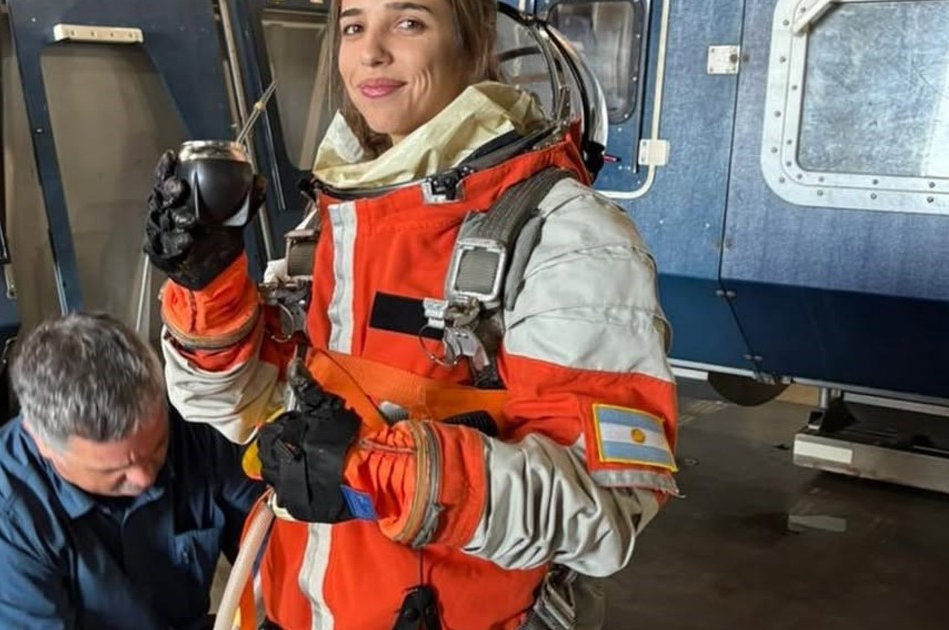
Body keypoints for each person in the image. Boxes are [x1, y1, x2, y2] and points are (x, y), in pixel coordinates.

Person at [144, 0, 678, 627]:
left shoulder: (565, 235)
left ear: (473, 42)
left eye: (408, 22)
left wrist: (369, 468)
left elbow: (602, 512)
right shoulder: (338, 217)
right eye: (353, 26)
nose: (371, 52)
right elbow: (234, 406)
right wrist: (207, 287)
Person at [0, 312, 263, 629]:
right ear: (45, 444)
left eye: (156, 448)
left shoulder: (193, 429)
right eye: (115, 470)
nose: (144, 478)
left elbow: (267, 540)